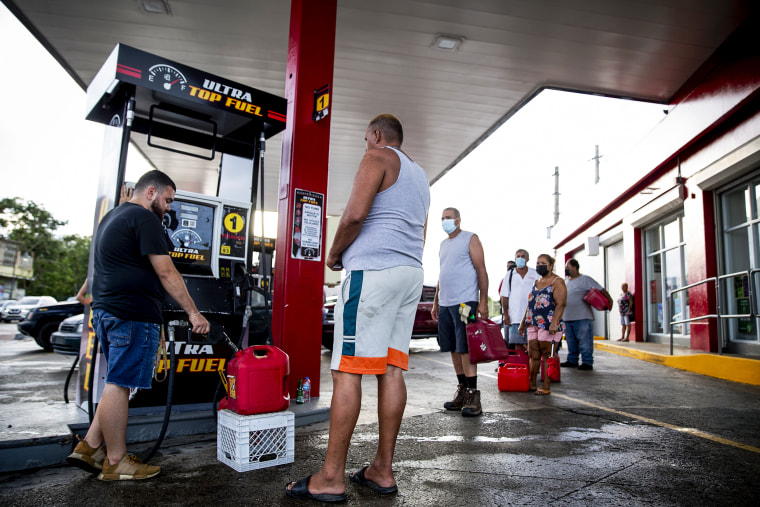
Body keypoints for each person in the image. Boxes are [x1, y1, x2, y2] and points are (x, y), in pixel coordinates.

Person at [285, 114, 429, 502]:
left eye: (366, 139)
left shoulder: (377, 157)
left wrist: (334, 255)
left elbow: (353, 215)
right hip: (409, 274)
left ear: (378, 135)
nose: (365, 146)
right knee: (392, 370)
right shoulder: (421, 177)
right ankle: (382, 469)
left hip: (373, 274)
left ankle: (331, 477)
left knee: (348, 371)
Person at [66, 170, 210, 481]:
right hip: (131, 313)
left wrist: (85, 292)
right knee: (120, 383)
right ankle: (117, 461)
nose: (169, 207)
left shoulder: (113, 217)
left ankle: (90, 447)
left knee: (118, 380)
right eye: (168, 200)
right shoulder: (145, 219)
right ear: (151, 193)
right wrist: (194, 313)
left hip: (107, 311)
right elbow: (167, 272)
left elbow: (105, 263)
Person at [432, 208, 489, 417]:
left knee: (465, 346)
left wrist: (483, 301)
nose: (445, 221)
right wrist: (436, 302)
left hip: (465, 303)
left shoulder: (470, 238)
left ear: (458, 219)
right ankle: (462, 390)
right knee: (453, 348)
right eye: (442, 218)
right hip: (446, 304)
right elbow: (442, 273)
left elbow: (481, 269)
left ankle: (474, 395)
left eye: (448, 217)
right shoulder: (443, 245)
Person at [518, 254, 566, 395]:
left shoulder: (558, 282)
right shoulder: (536, 282)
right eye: (538, 263)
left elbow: (561, 304)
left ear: (551, 266)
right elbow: (530, 304)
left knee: (547, 355)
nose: (540, 265)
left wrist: (554, 323)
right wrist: (523, 322)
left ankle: (546, 386)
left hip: (549, 323)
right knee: (533, 354)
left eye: (543, 263)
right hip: (533, 322)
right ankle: (532, 383)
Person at [561, 258, 612, 371]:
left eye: (568, 267)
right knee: (570, 341)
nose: (566, 269)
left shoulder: (585, 279)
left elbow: (601, 290)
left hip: (582, 317)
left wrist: (610, 301)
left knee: (585, 341)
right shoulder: (565, 281)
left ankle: (587, 362)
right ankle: (572, 360)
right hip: (567, 317)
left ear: (575, 267)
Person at [499, 249, 540, 352]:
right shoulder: (510, 274)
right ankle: (522, 367)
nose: (520, 258)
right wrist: (505, 314)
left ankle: (531, 367)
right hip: (515, 317)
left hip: (532, 318)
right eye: (518, 256)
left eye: (523, 256)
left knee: (533, 347)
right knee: (518, 347)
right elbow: (504, 296)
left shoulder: (535, 273)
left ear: (528, 259)